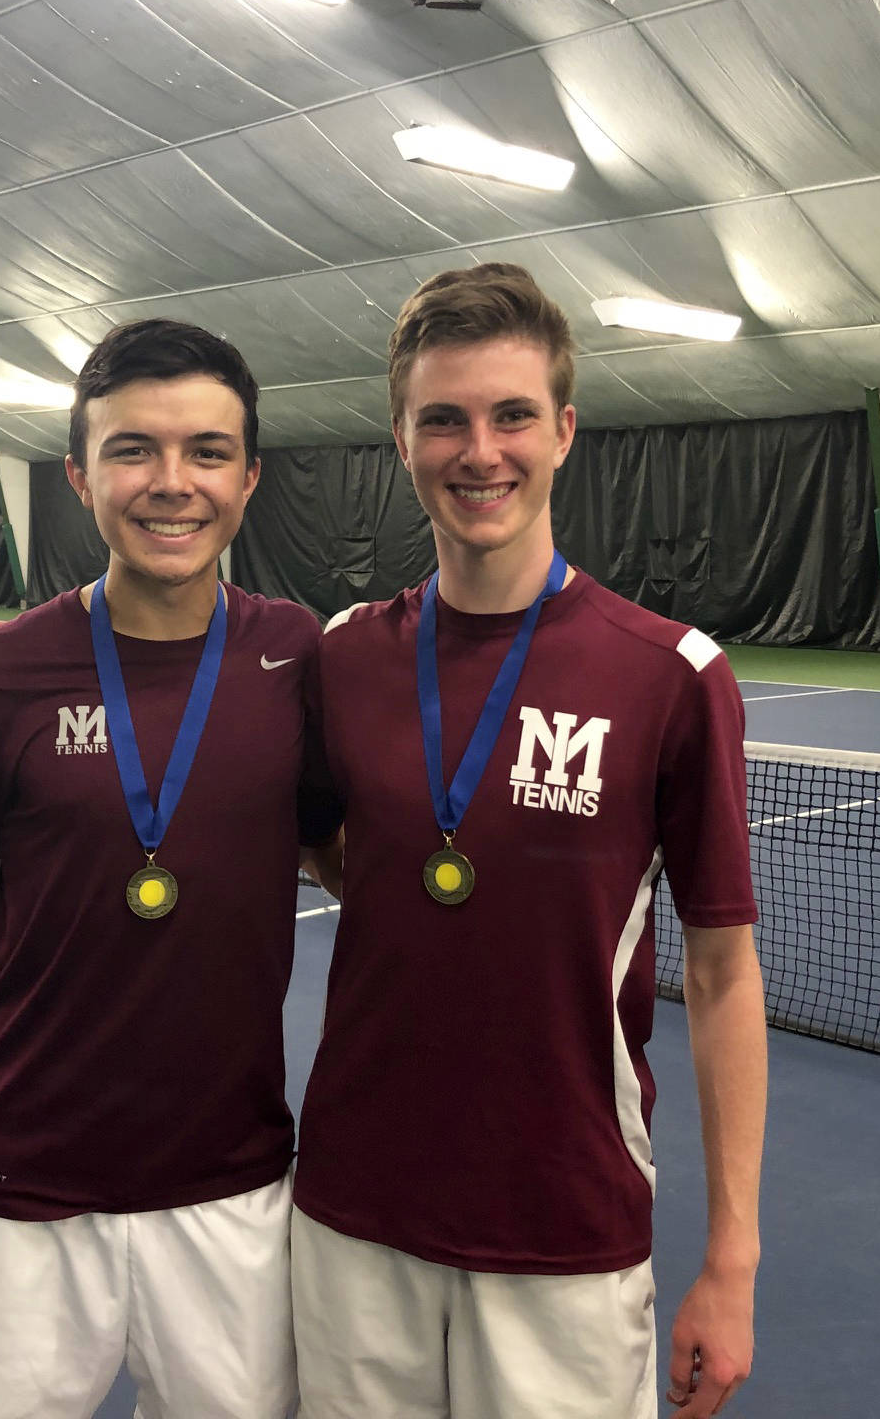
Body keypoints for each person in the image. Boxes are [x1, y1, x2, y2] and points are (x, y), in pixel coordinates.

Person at [293, 264, 768, 1419]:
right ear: (401, 441)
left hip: (566, 1218)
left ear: (563, 430)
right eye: (443, 419)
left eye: (511, 416)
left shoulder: (672, 675)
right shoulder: (346, 655)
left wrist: (734, 1261)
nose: (480, 451)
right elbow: (322, 846)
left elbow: (721, 972)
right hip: (355, 1215)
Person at [0, 319, 336, 1418]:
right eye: (132, 450)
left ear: (249, 476)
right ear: (79, 474)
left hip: (232, 1191)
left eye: (204, 451)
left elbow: (355, 859)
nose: (170, 484)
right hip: (26, 1187)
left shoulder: (296, 657)